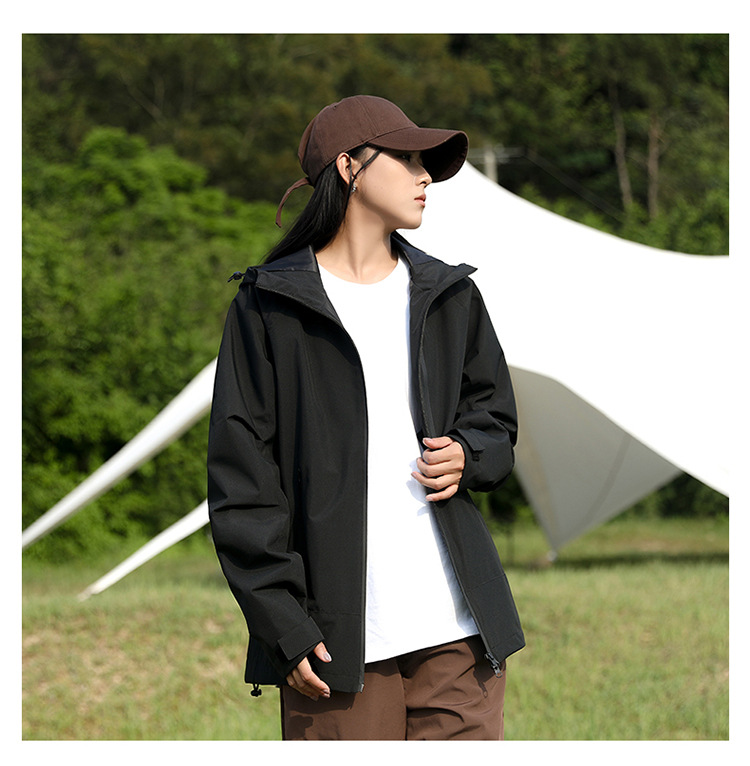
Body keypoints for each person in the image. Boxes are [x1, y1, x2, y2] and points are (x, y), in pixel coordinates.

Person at [207, 95, 524, 741]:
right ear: (348, 166)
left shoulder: (450, 294)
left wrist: (469, 453)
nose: (424, 175)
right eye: (405, 157)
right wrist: (285, 626)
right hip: (335, 646)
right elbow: (243, 484)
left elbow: (495, 419)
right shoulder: (268, 307)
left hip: (458, 636)